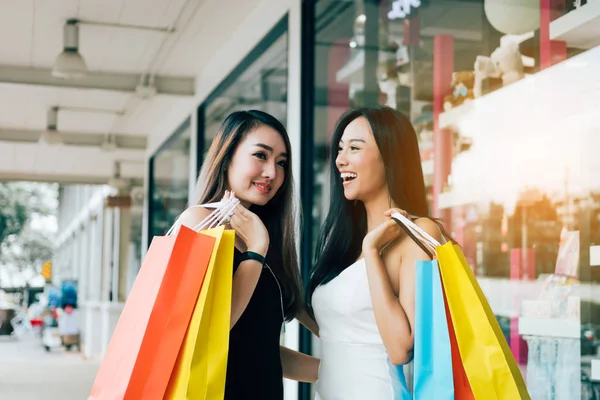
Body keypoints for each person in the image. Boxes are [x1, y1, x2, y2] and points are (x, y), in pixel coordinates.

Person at [306, 106, 446, 399]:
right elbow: (344, 332)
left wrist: (372, 252)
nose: (340, 159)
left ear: (390, 158)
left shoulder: (418, 234)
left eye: (354, 148)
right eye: (340, 149)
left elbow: (400, 349)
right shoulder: (345, 239)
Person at [178, 110, 318, 400]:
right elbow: (213, 329)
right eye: (260, 156)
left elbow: (258, 348)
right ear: (227, 156)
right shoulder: (198, 223)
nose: (272, 172)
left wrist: (346, 370)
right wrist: (255, 252)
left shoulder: (264, 237)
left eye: (281, 162)